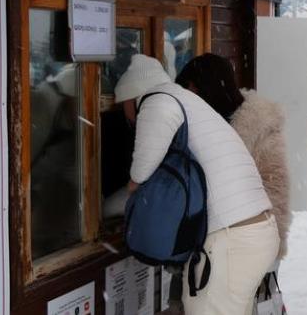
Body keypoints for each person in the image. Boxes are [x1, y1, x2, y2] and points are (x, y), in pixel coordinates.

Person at [117, 54, 278, 314]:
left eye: (121, 103)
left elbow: (142, 170)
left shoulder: (159, 101)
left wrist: (128, 193)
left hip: (232, 240)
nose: (124, 114)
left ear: (130, 94)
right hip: (253, 231)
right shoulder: (186, 100)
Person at [176, 54, 292, 262]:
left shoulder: (260, 130)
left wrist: (270, 251)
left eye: (188, 89)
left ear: (202, 88)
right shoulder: (201, 121)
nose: (185, 97)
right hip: (209, 247)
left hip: (244, 249)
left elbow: (276, 192)